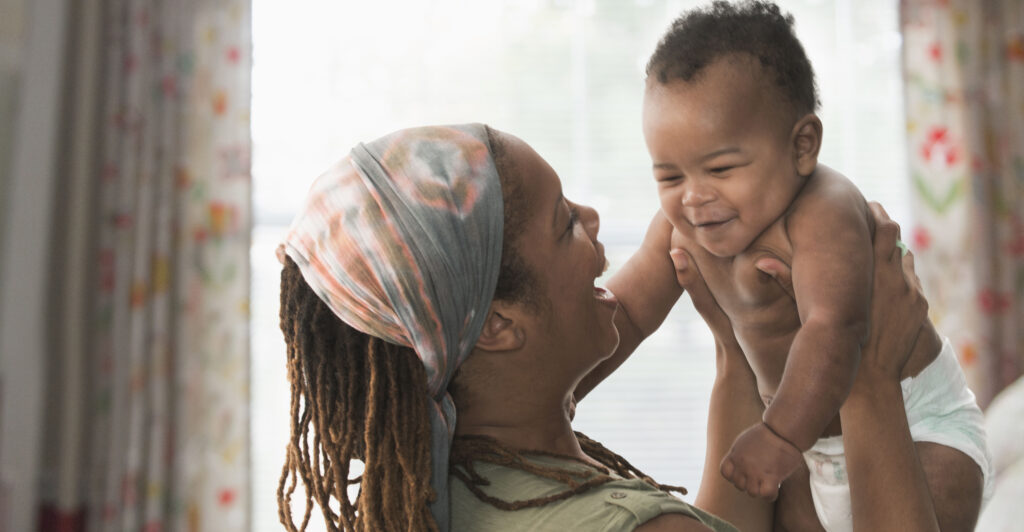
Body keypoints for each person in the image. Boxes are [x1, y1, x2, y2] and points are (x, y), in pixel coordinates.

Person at [274, 122, 947, 531]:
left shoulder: (443, 481)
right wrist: (868, 375)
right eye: (565, 223)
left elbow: (723, 522)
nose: (593, 217)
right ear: (498, 326)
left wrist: (737, 349)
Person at [640, 1, 991, 530]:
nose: (692, 197)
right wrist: (571, 387)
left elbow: (835, 326)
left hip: (916, 420)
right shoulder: (686, 226)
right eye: (669, 177)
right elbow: (624, 306)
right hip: (807, 445)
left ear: (802, 146)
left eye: (720, 168)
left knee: (937, 495)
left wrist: (778, 436)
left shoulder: (824, 210)